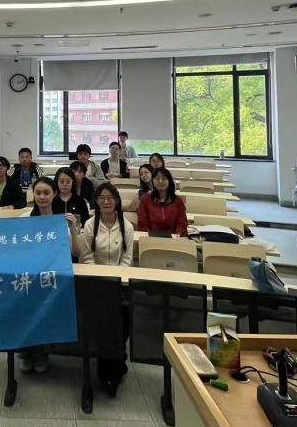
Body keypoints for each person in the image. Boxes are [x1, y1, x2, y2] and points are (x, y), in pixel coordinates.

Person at [67, 182, 133, 395]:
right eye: (102, 198)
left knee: (121, 322)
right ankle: (107, 370)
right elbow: (86, 256)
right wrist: (100, 279)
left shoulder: (127, 226)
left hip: (119, 284)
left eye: (110, 198)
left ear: (117, 201)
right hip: (96, 283)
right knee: (102, 322)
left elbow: (127, 259)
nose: (106, 201)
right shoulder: (90, 224)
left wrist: (116, 279)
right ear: (96, 201)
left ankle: (116, 365)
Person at [18, 177, 78, 374]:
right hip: (28, 276)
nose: (42, 197)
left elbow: (70, 252)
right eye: (38, 193)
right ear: (33, 195)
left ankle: (42, 353)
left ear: (54, 194)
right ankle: (25, 352)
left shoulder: (61, 221)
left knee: (44, 315)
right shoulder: (24, 218)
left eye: (46, 193)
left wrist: (73, 229)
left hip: (51, 277)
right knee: (25, 314)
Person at [137, 167, 188, 236]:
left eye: (164, 178)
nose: (160, 181)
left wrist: (177, 234)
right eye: (157, 178)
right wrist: (148, 237)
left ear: (169, 181)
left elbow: (182, 223)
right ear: (152, 181)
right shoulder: (145, 199)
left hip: (173, 238)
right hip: (150, 237)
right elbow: (142, 223)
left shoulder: (178, 201)